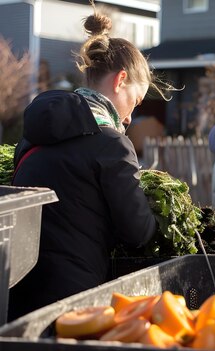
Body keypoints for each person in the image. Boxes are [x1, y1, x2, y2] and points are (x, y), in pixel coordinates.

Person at [8, 7, 171, 320]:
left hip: (18, 294)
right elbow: (138, 231)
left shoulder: (32, 137)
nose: (129, 117)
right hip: (74, 302)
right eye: (135, 102)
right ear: (121, 79)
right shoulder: (111, 144)